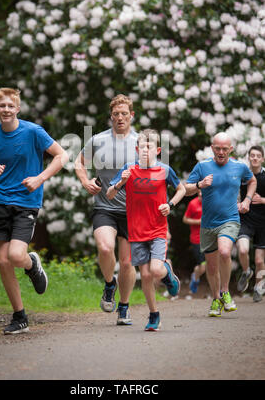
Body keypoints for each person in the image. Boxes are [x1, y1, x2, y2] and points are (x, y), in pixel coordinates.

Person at [0, 87, 68, 334]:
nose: (6, 110)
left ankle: (31, 264)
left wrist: (39, 178)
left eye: (10, 106)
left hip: (26, 202)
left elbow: (61, 156)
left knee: (17, 256)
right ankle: (20, 317)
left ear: (17, 108)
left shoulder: (33, 132)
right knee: (4, 261)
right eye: (1, 106)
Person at [107, 129, 185, 331]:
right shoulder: (129, 169)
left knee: (156, 270)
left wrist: (171, 204)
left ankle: (168, 274)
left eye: (149, 147)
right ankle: (154, 314)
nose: (144, 150)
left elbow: (181, 189)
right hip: (136, 232)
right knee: (147, 276)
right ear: (136, 149)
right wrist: (120, 183)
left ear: (157, 150)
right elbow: (108, 194)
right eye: (141, 147)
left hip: (157, 229)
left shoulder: (165, 170)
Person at [74, 94, 137, 325]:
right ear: (111, 116)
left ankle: (124, 306)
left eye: (124, 113)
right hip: (105, 207)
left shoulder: (141, 143)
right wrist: (85, 181)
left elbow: (153, 173)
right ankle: (110, 284)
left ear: (132, 115)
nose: (120, 117)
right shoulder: (98, 140)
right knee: (104, 246)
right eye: (116, 114)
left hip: (132, 211)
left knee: (128, 262)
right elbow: (79, 163)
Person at [185, 132, 257, 317]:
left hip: (230, 219)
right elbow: (186, 190)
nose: (221, 152)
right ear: (212, 148)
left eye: (225, 148)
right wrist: (200, 185)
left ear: (231, 149)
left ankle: (225, 292)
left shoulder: (239, 167)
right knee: (211, 267)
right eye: (218, 148)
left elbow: (252, 180)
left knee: (225, 252)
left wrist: (247, 200)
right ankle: (216, 299)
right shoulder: (202, 166)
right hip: (208, 224)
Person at [236, 145, 265, 302]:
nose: (254, 158)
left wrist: (262, 200)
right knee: (242, 250)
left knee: (260, 260)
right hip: (245, 220)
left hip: (263, 223)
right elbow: (233, 194)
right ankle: (246, 271)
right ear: (248, 157)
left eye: (257, 156)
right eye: (252, 155)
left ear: (262, 159)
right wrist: (237, 204)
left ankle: (259, 288)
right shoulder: (242, 176)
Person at [183, 190, 206, 294]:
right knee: (203, 265)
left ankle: (220, 291)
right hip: (197, 239)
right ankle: (195, 277)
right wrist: (198, 222)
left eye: (203, 193)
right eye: (199, 193)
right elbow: (185, 219)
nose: (201, 195)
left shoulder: (211, 202)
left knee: (213, 264)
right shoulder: (193, 203)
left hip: (211, 238)